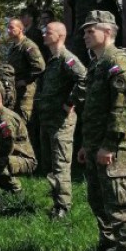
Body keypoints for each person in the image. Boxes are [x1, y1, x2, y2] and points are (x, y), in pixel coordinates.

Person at [76, 10, 126, 251]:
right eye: (84, 31)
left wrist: (110, 146)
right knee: (99, 201)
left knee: (119, 206)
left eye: (91, 30)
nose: (85, 35)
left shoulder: (118, 62)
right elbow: (93, 110)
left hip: (114, 149)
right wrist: (86, 146)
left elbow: (122, 110)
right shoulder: (97, 64)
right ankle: (109, 248)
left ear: (108, 31)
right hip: (95, 146)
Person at [35, 22, 86, 219]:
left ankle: (63, 207)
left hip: (61, 121)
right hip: (47, 119)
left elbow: (84, 79)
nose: (44, 34)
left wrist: (71, 101)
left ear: (60, 36)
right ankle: (56, 201)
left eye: (48, 32)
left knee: (60, 163)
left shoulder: (67, 58)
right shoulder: (53, 59)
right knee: (49, 164)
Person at [6, 19, 46, 122]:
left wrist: (25, 81)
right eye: (8, 28)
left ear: (20, 29)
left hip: (25, 93)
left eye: (12, 27)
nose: (8, 30)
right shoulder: (12, 48)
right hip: (14, 91)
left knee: (23, 122)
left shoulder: (28, 46)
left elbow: (39, 67)